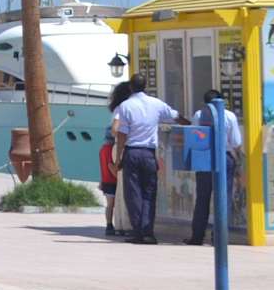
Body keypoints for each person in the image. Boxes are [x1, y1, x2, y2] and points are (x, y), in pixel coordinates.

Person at [109, 79, 178, 243]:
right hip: (149, 154)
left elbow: (121, 134)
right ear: (145, 86)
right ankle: (148, 232)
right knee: (149, 193)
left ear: (131, 87)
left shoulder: (125, 106)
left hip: (132, 152)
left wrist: (118, 159)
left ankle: (138, 232)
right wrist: (192, 125)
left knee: (133, 194)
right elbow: (175, 116)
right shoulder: (156, 103)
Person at [188, 89, 242, 245]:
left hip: (204, 158)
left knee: (202, 198)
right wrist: (238, 160)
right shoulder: (229, 116)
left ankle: (197, 236)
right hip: (224, 158)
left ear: (205, 103)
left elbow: (194, 137)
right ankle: (219, 237)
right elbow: (236, 142)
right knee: (224, 198)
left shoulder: (199, 115)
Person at [98, 132, 121, 237]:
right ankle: (111, 226)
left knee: (109, 205)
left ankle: (109, 225)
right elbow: (110, 165)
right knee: (113, 205)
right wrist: (119, 178)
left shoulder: (102, 149)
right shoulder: (110, 149)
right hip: (112, 181)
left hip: (106, 180)